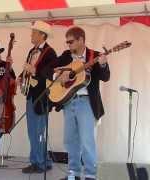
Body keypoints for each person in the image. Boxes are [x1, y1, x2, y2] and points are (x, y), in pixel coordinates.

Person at [55, 26, 110, 180]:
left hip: (86, 103)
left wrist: (104, 64)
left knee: (87, 141)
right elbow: (49, 70)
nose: (68, 45)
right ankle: (73, 174)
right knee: (70, 140)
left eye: (71, 42)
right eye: (67, 42)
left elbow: (105, 77)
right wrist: (59, 75)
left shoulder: (96, 55)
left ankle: (91, 175)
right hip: (68, 101)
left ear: (81, 40)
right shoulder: (67, 56)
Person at [17, 20, 57, 174]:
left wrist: (33, 70)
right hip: (31, 95)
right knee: (34, 131)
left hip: (41, 97)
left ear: (42, 35)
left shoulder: (50, 53)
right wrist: (21, 77)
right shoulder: (31, 51)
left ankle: (38, 163)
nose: (31, 34)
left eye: (34, 32)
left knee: (37, 131)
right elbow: (28, 70)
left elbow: (50, 74)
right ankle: (43, 161)